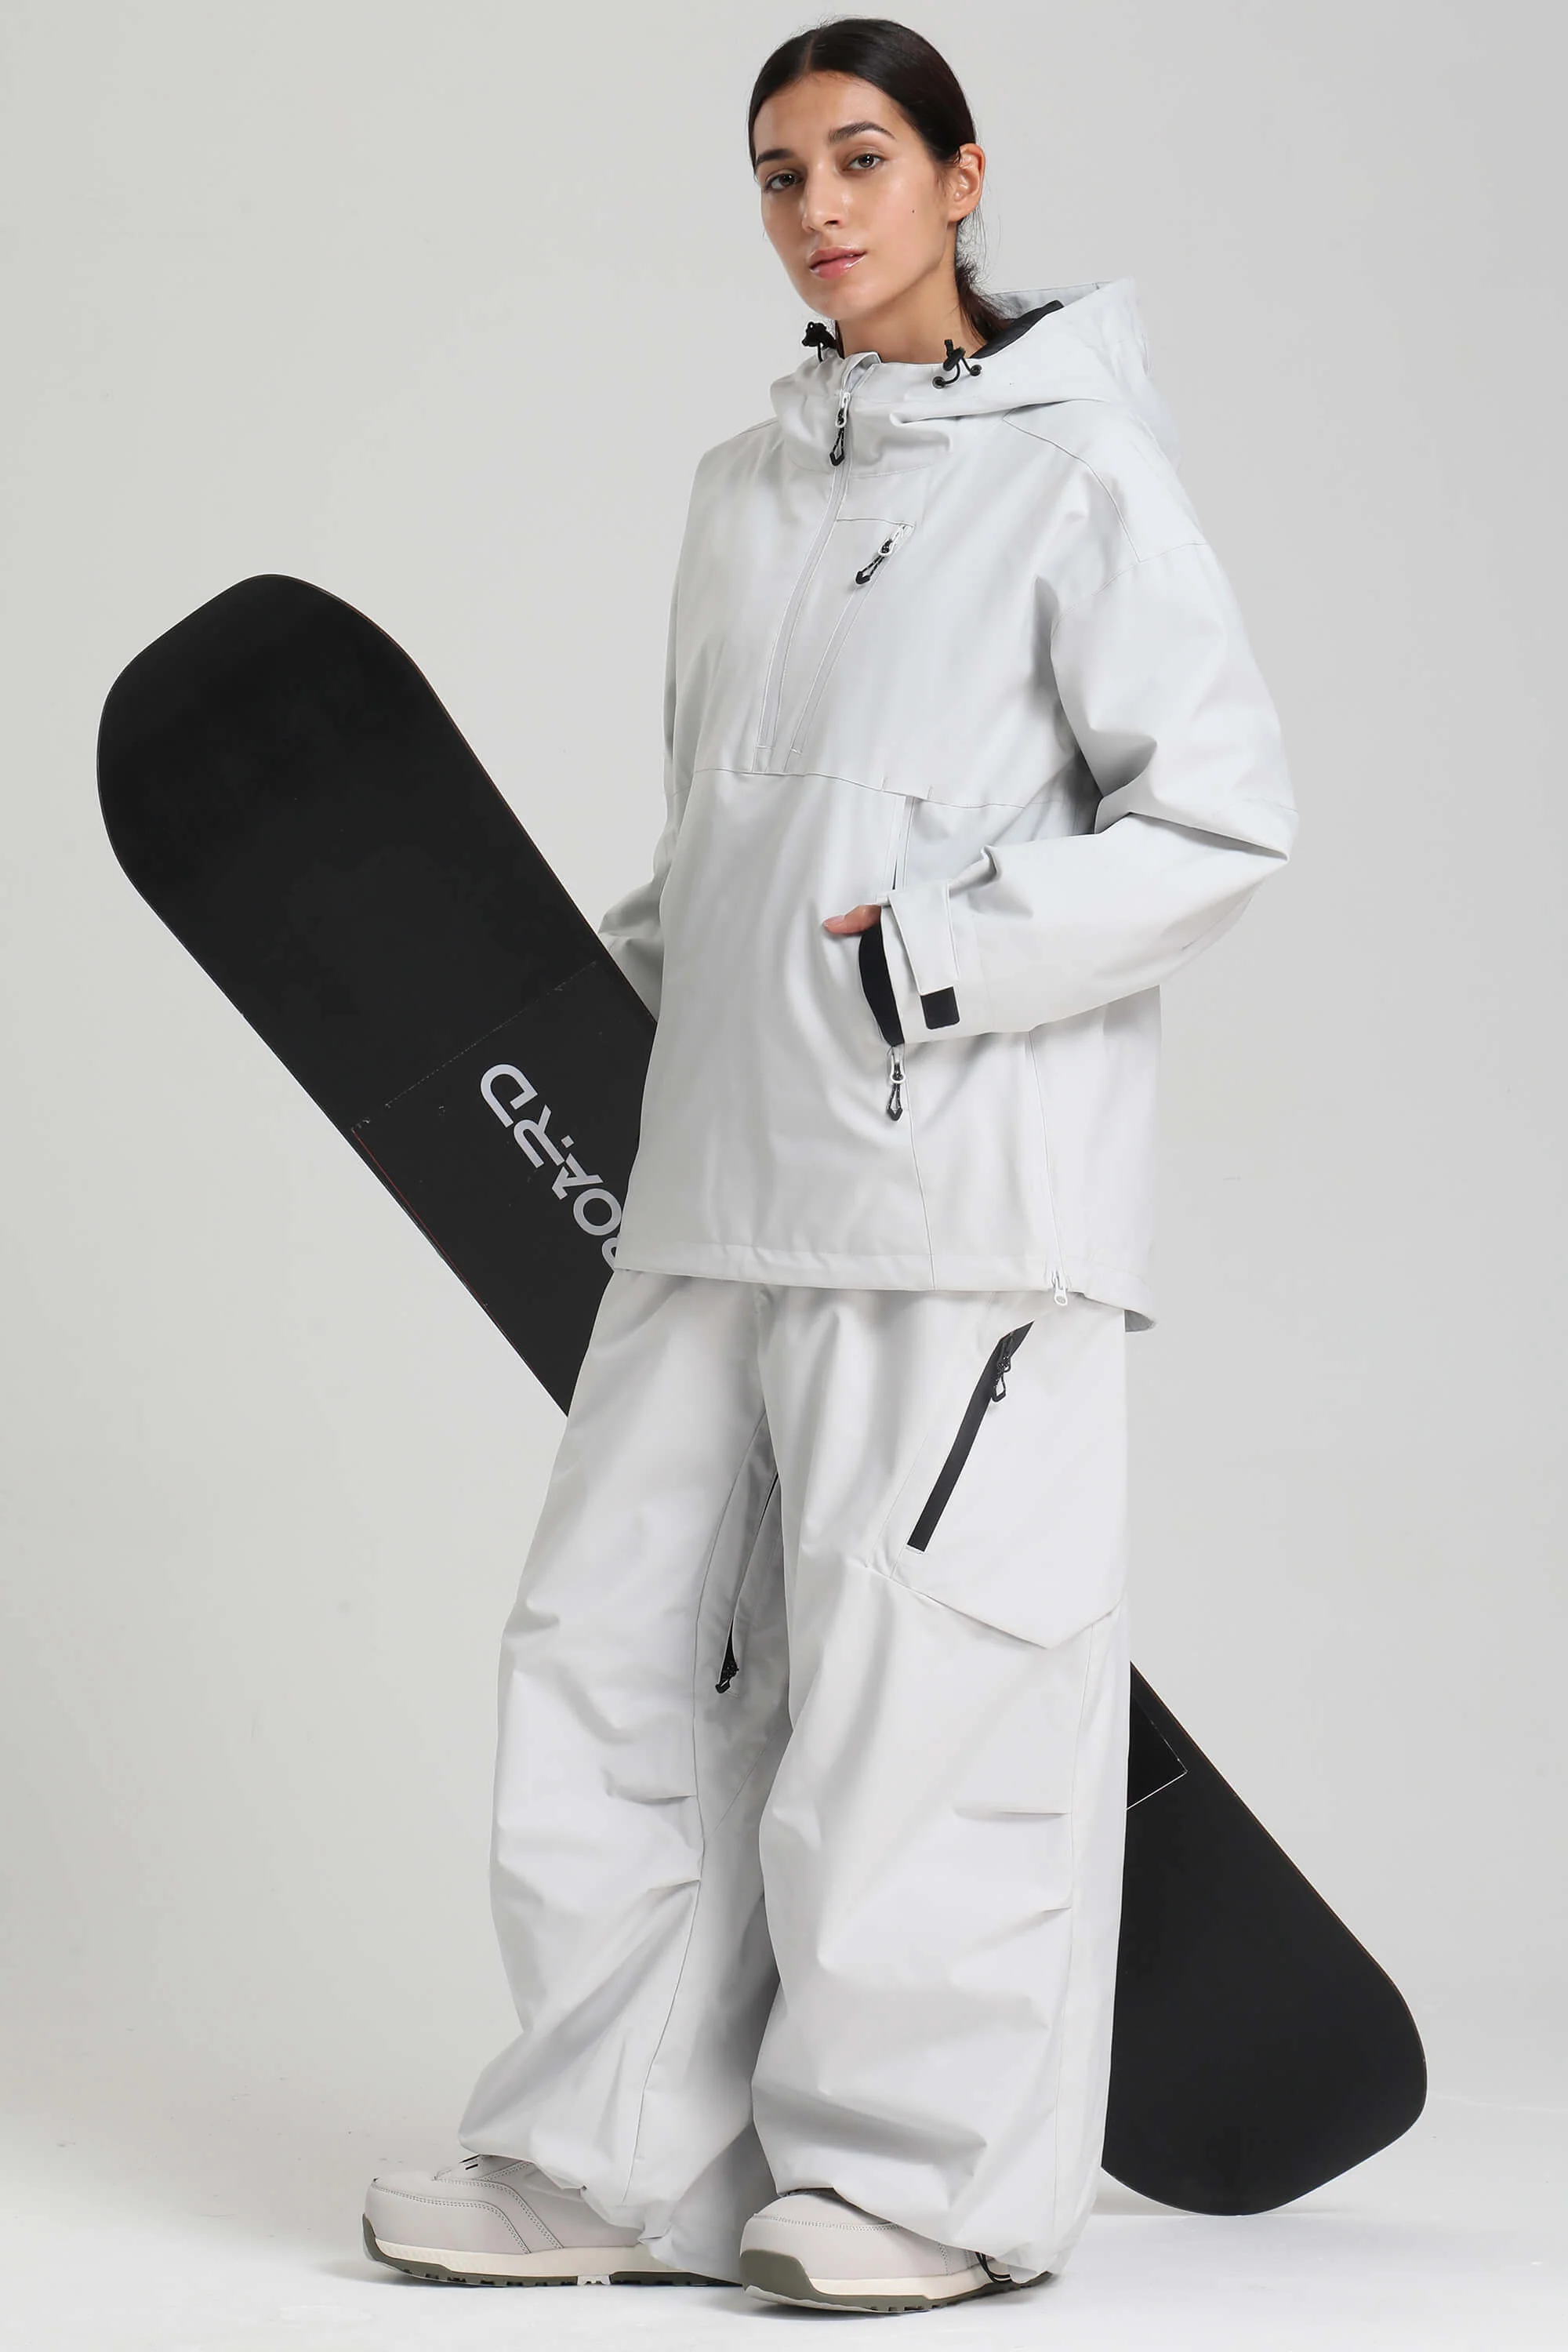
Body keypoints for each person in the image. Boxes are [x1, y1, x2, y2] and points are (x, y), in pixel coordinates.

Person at [362, 15, 1296, 2315]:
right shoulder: (739, 492)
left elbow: (1219, 819)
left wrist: (930, 964)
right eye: (779, 172)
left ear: (962, 176)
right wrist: (613, 990)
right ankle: (608, 2161)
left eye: (862, 159)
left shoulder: (1083, 471)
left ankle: (925, 2186)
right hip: (711, 1183)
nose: (817, 209)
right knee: (615, 1662)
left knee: (920, 1687)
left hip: (955, 1201)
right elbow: (728, 839)